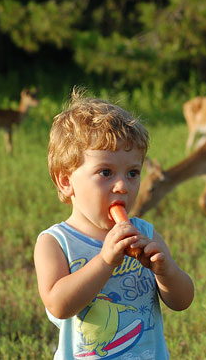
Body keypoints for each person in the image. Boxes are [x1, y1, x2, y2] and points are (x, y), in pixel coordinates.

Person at [34, 87, 194, 359]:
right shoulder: (55, 243)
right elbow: (58, 305)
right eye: (105, 172)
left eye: (133, 173)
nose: (122, 186)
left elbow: (182, 300)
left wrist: (166, 271)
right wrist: (105, 261)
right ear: (66, 181)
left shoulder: (144, 232)